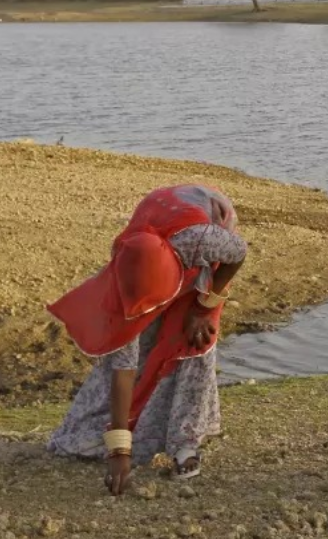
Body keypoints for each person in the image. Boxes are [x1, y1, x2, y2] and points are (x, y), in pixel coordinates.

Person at [46, 184, 247, 496]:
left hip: (198, 232)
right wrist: (119, 452)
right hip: (157, 245)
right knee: (139, 348)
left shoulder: (200, 241)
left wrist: (204, 307)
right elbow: (122, 370)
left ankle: (185, 443)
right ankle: (130, 427)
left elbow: (238, 251)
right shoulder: (124, 282)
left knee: (190, 342)